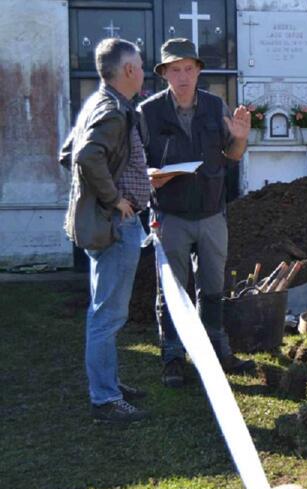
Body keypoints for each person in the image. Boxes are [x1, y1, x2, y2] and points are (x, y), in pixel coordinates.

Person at [139, 39, 255, 387]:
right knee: (172, 291)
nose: (183, 76)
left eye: (189, 68)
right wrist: (151, 176)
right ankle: (173, 358)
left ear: (199, 71)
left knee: (213, 287)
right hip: (170, 215)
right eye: (175, 69)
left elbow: (232, 155)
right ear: (164, 74)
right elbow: (135, 165)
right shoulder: (148, 113)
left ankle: (216, 352)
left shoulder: (215, 106)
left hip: (211, 213)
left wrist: (240, 137)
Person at [59, 38, 151, 423]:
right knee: (107, 316)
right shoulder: (112, 111)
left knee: (105, 313)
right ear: (128, 70)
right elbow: (84, 156)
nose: (143, 71)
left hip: (107, 224)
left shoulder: (99, 103)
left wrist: (107, 188)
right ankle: (106, 400)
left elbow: (68, 153)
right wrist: (114, 199)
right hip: (115, 227)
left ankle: (108, 382)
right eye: (140, 65)